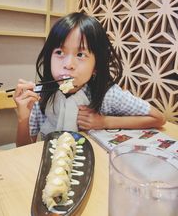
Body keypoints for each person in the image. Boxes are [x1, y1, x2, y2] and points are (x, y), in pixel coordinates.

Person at [13, 12, 166, 146]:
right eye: (59, 52)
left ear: (96, 66)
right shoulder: (40, 95)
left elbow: (158, 118)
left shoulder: (107, 94)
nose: (68, 65)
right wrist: (23, 118)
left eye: (80, 55)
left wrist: (104, 122)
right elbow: (23, 148)